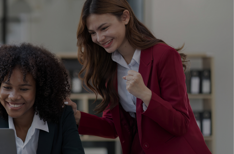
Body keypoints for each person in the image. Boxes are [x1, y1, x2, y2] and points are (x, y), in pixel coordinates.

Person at [65, 0, 211, 153]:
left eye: (104, 28)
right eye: (93, 33)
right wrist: (76, 117)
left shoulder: (164, 56)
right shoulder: (110, 67)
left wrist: (145, 94)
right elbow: (114, 126)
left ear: (125, 17)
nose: (99, 38)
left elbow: (180, 124)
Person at [0, 43, 85, 154]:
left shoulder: (62, 118)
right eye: (7, 87)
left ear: (40, 90)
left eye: (24, 89)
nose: (13, 96)